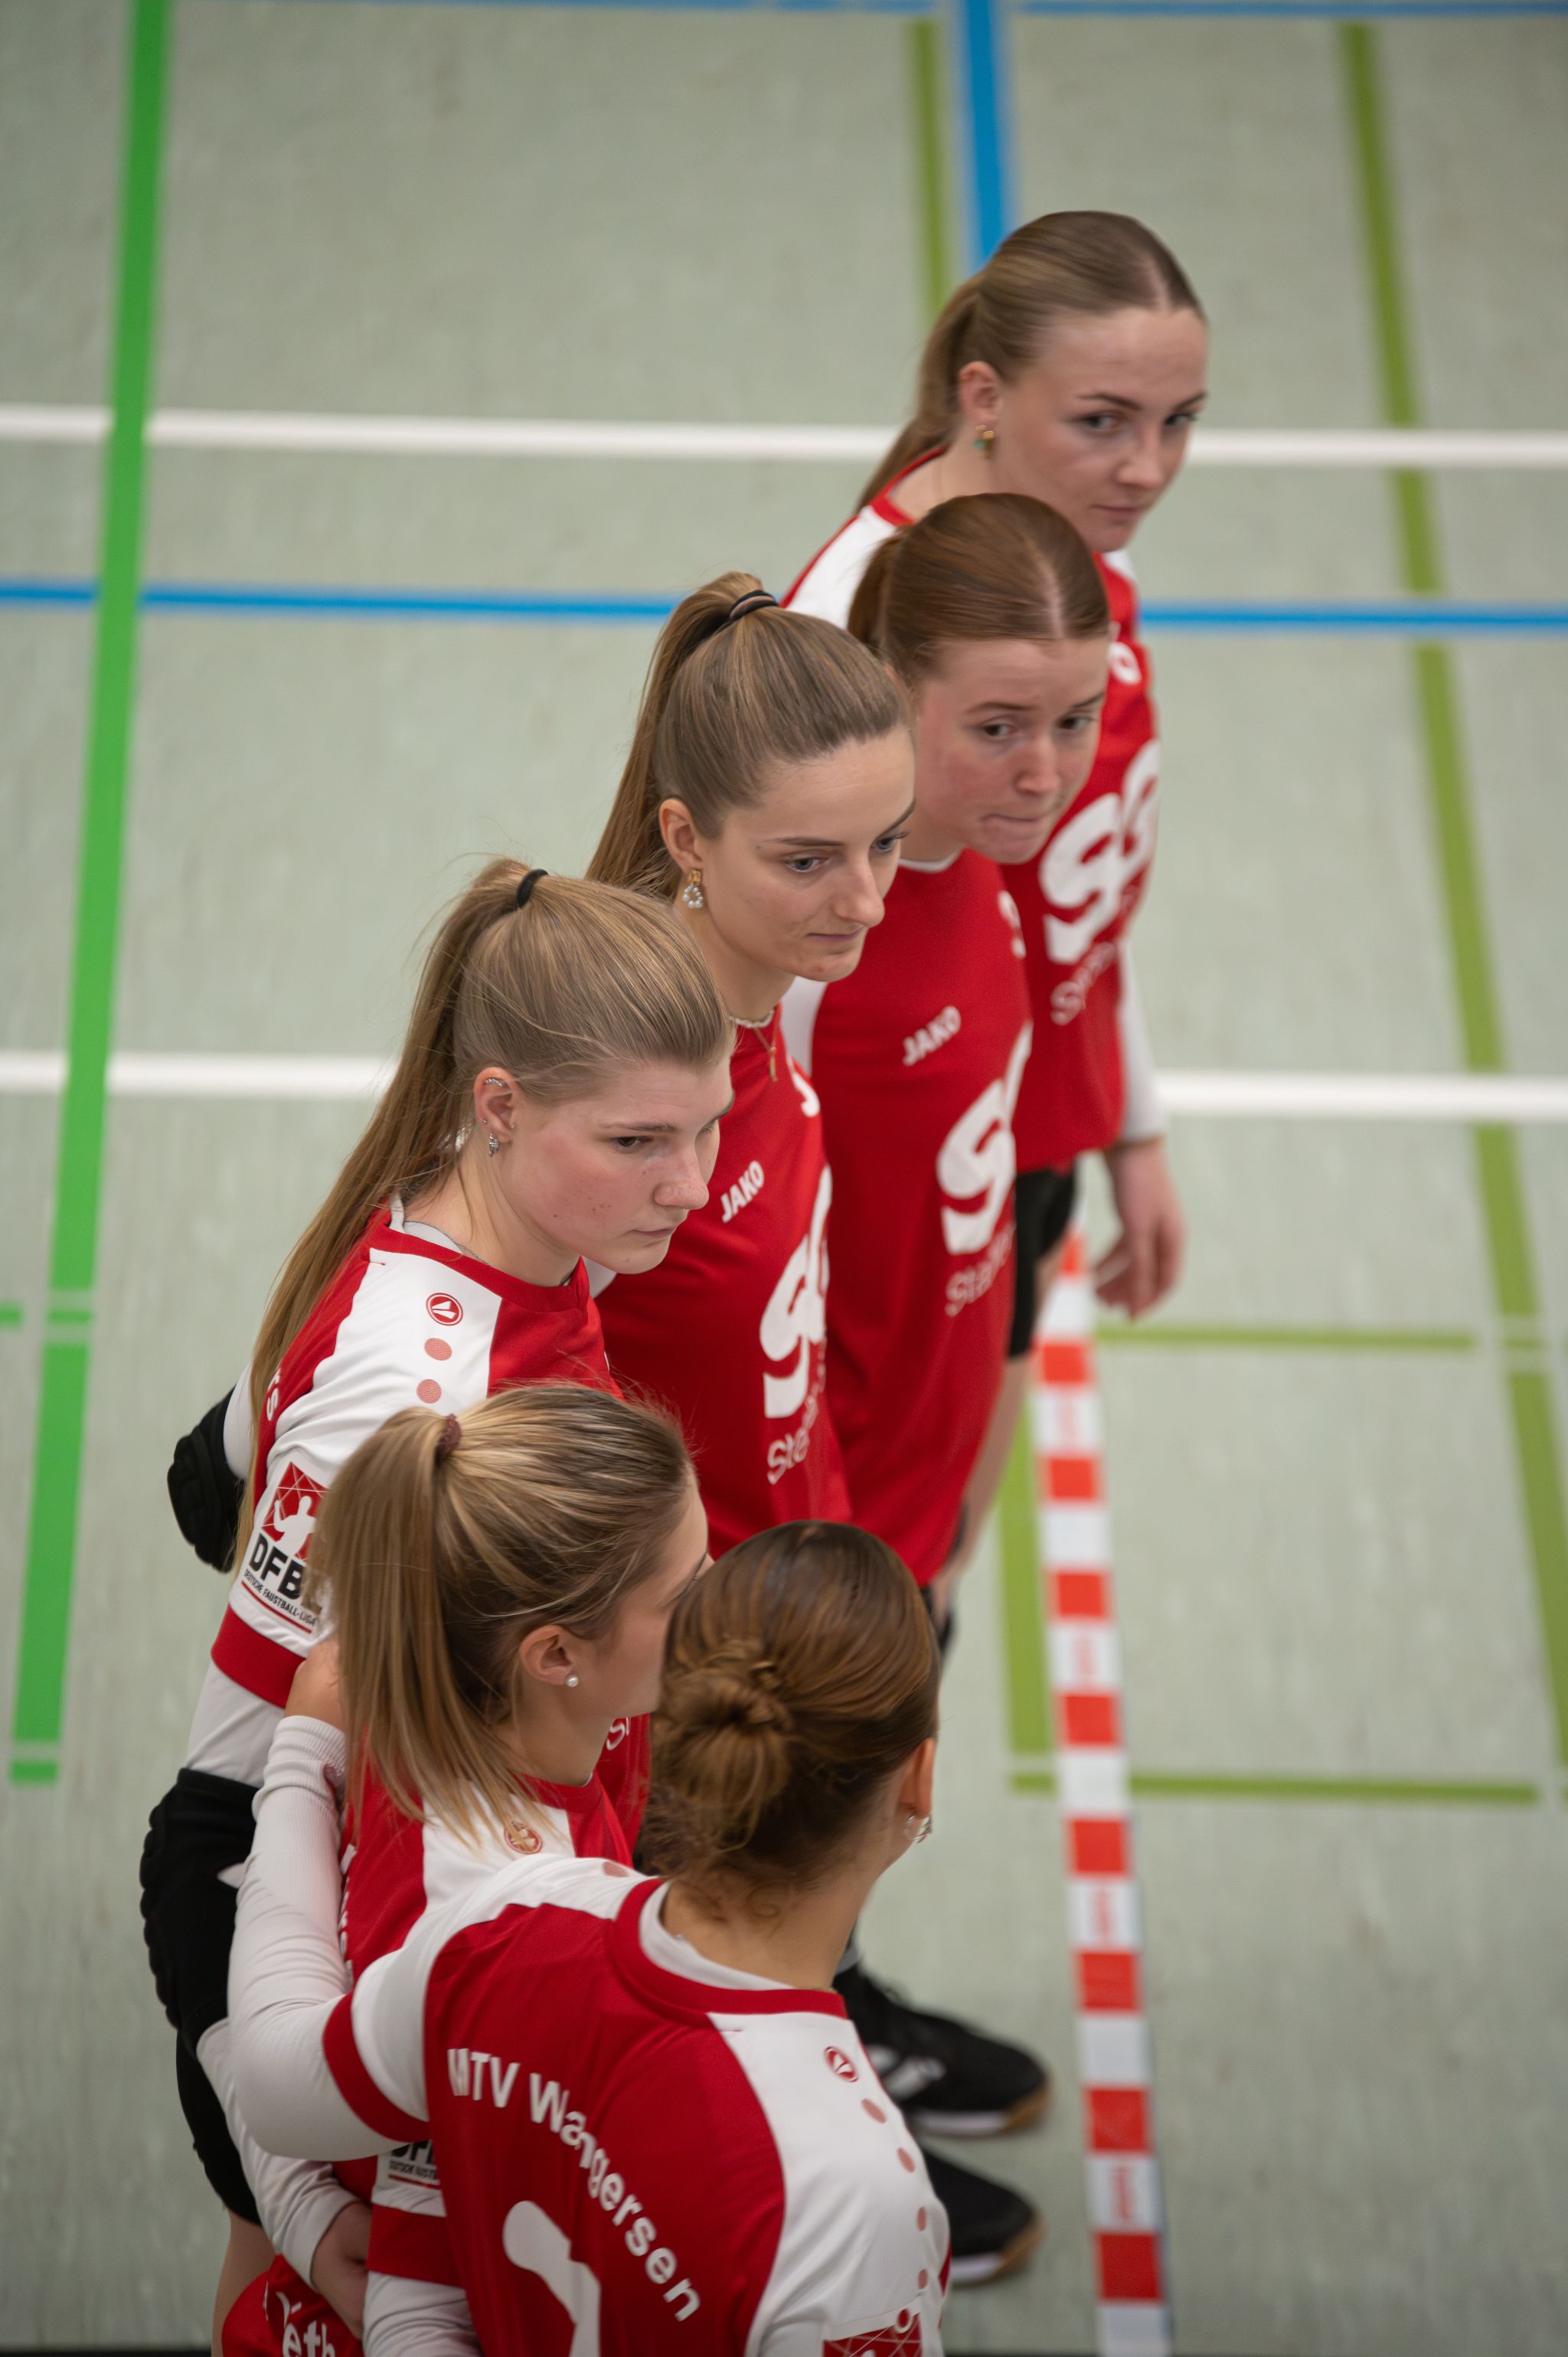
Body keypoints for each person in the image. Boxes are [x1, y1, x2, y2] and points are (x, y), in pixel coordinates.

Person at [139, 863, 732, 2355]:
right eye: (639, 1141)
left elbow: (206, 1480)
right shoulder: (418, 1385)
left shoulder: (487, 1226)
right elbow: (226, 1813)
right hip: (340, 1934)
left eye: (706, 1127)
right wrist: (293, 2190)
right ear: (501, 1105)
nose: (692, 1183)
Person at [230, 1522, 950, 2355]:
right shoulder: (861, 2198)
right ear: (919, 1779)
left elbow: (277, 2084)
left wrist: (303, 1755)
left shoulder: (504, 1921)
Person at [787, 209, 1207, 1545]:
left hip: (1018, 1118)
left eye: (1179, 423)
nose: (1146, 469)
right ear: (984, 398)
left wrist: (1125, 1117)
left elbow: (1083, 884)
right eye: (1102, 421)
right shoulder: (845, 638)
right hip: (914, 1174)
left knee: (945, 1541)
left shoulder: (1071, 550)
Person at [222, 1383, 711, 2357]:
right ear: (555, 1653)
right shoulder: (495, 1918)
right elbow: (418, 2301)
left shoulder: (437, 1705)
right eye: (684, 1592)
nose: (721, 1598)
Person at [586, 575, 913, 1554]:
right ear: (686, 838)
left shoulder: (764, 1007)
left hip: (798, 1593)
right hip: (690, 1628)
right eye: (807, 862)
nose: (867, 903)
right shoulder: (619, 1081)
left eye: (885, 844)